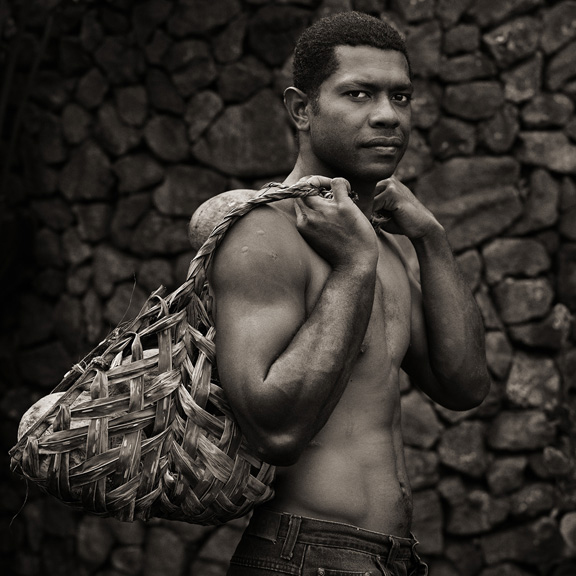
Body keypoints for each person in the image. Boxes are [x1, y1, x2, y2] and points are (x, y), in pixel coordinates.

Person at [189, 11, 491, 576]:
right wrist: (354, 265)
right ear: (302, 109)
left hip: (393, 559)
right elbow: (274, 430)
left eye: (401, 97)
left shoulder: (388, 244)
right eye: (359, 94)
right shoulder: (265, 233)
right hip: (303, 554)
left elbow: (465, 384)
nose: (387, 116)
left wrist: (431, 238)